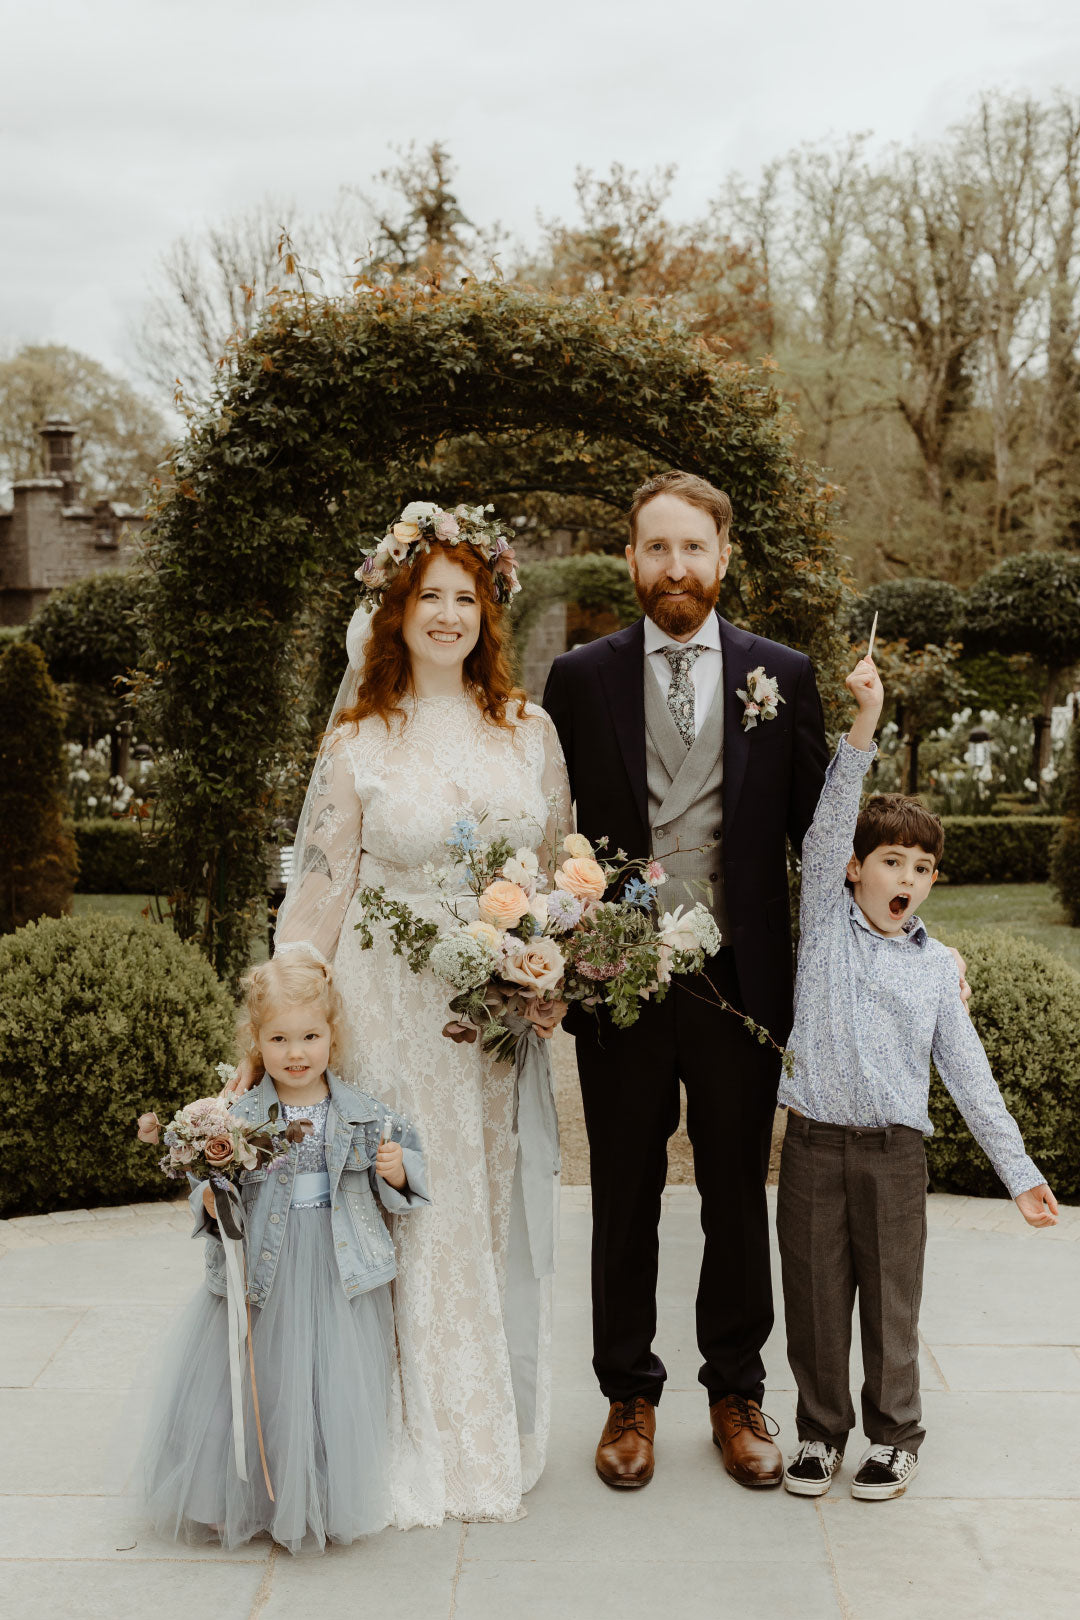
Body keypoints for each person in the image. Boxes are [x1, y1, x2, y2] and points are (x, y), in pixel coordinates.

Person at [231, 502, 571, 1527]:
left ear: (489, 612)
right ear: (397, 608)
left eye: (468, 598)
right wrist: (277, 1020)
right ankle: (393, 1434)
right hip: (389, 1001)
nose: (451, 615)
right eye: (433, 596)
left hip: (490, 1014)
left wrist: (553, 955)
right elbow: (323, 887)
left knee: (480, 1200)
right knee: (404, 1201)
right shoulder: (358, 741)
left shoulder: (527, 730)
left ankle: (479, 1425)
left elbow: (558, 867)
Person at [542, 469, 832, 1491]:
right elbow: (548, 830)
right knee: (622, 1193)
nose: (676, 568)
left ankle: (736, 1391)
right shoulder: (579, 678)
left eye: (693, 549)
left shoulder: (781, 675)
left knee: (733, 1195)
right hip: (621, 979)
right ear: (632, 556)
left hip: (741, 983)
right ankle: (628, 1393)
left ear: (723, 558)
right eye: (656, 548)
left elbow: (817, 833)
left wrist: (903, 946)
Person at [778, 654, 1058, 1502]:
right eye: (891, 861)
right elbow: (829, 823)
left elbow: (970, 1078)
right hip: (815, 1147)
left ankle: (895, 1436)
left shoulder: (938, 972)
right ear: (856, 869)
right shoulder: (824, 923)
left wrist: (1021, 1175)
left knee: (891, 1306)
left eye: (922, 868)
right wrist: (866, 720)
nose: (906, 879)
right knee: (818, 1303)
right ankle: (821, 1434)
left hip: (897, 1157)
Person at [139, 955, 429, 1552]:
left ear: (332, 1037)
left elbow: (405, 1172)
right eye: (278, 1039)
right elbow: (205, 1175)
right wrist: (211, 1203)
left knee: (323, 1382)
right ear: (256, 1042)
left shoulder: (359, 1110)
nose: (296, 1053)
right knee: (249, 1379)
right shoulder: (239, 1114)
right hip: (263, 1265)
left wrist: (399, 1173)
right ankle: (233, 1495)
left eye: (310, 1037)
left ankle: (317, 1494)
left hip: (335, 1260)